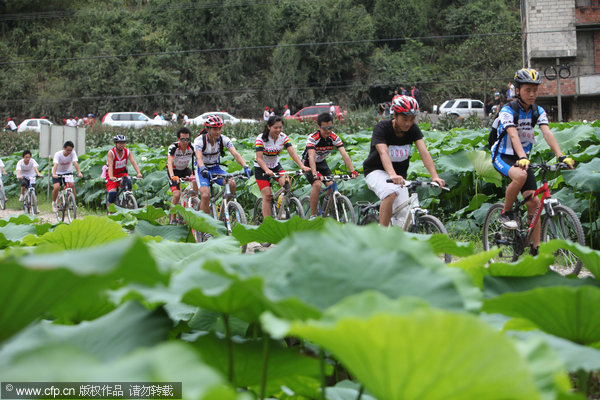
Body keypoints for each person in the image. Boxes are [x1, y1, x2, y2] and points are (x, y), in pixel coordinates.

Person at [490, 68, 574, 255]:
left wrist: (561, 156)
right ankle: (506, 213)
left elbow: (547, 133)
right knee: (519, 176)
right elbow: (512, 134)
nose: (532, 94)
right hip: (503, 155)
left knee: (534, 203)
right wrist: (521, 157)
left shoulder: (538, 111)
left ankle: (535, 249)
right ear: (517, 90)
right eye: (528, 90)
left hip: (523, 158)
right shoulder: (507, 110)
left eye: (535, 90)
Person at [363, 95, 445, 227]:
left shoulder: (413, 129)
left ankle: (396, 243)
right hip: (376, 171)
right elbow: (383, 152)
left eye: (412, 119)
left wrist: (435, 176)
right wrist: (392, 174)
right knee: (390, 193)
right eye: (405, 119)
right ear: (395, 115)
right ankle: (381, 235)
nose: (408, 123)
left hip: (399, 177)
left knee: (403, 216)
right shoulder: (382, 128)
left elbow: (424, 152)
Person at [302, 112, 359, 220]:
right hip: (309, 163)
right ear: (319, 127)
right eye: (325, 128)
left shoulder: (334, 137)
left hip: (322, 162)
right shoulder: (313, 138)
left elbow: (344, 154)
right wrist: (315, 173)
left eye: (330, 128)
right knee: (317, 184)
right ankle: (313, 215)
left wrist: (353, 171)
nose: (328, 131)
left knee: (332, 185)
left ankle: (325, 210)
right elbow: (311, 157)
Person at [254, 115, 311, 218]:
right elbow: (259, 158)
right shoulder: (261, 138)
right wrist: (266, 170)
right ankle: (267, 222)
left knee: (287, 184)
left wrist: (302, 166)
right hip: (261, 168)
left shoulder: (283, 137)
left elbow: (292, 153)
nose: (278, 130)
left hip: (275, 165)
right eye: (275, 127)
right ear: (269, 127)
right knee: (267, 196)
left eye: (280, 127)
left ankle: (280, 204)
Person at [193, 115, 252, 215]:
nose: (218, 132)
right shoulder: (199, 141)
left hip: (215, 168)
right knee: (205, 195)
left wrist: (245, 166)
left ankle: (223, 212)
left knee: (232, 183)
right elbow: (198, 158)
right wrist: (203, 169)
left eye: (220, 128)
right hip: (201, 169)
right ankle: (204, 224)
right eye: (215, 129)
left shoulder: (223, 139)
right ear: (208, 129)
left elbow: (236, 154)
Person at [166, 127, 196, 223]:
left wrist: (194, 174)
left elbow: (198, 159)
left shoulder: (192, 147)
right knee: (176, 194)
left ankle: (191, 204)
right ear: (178, 139)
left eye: (187, 139)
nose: (185, 142)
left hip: (185, 169)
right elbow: (169, 163)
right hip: (174, 171)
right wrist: (172, 176)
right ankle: (173, 218)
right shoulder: (173, 147)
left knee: (196, 184)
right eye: (183, 139)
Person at [106, 135, 143, 209]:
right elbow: (110, 166)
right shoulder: (111, 153)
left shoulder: (127, 152)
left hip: (122, 173)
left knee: (128, 182)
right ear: (115, 144)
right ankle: (110, 211)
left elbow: (133, 162)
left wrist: (138, 172)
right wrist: (111, 177)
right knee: (113, 193)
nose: (121, 145)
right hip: (112, 174)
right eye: (119, 143)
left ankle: (127, 200)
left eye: (123, 143)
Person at [51, 141, 83, 212]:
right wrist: (54, 174)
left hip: (68, 172)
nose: (69, 152)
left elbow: (75, 163)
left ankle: (72, 202)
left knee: (72, 185)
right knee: (56, 187)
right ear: (64, 148)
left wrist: (79, 172)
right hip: (57, 172)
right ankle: (54, 202)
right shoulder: (58, 154)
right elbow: (55, 164)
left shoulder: (73, 153)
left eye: (71, 150)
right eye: (68, 150)